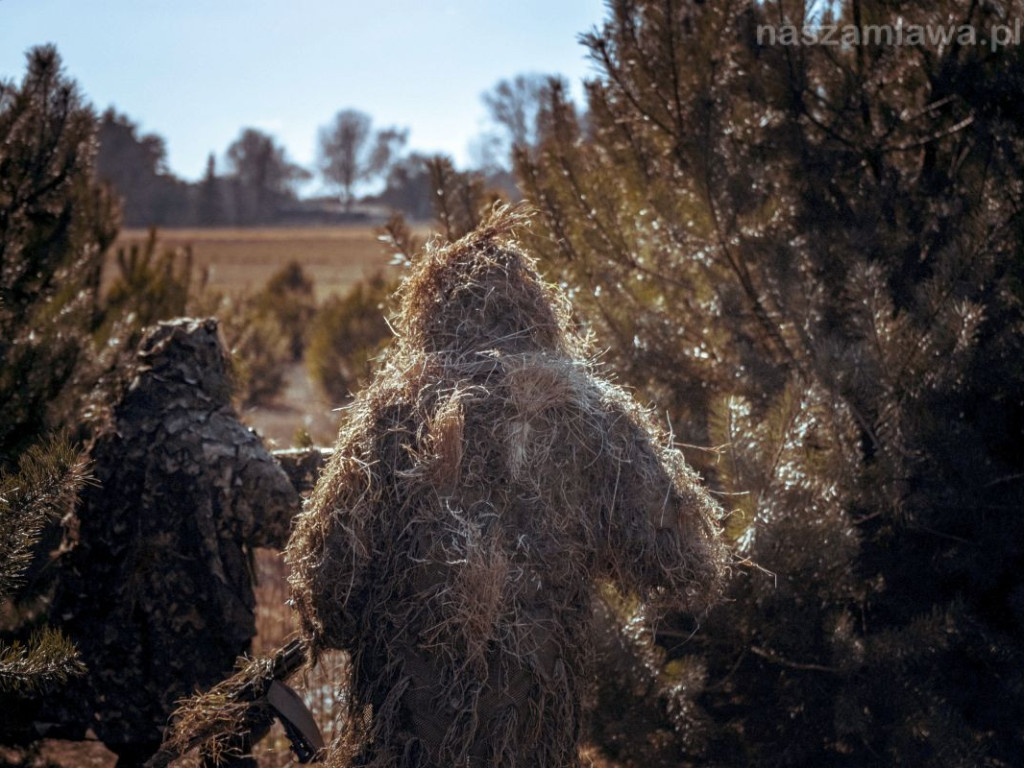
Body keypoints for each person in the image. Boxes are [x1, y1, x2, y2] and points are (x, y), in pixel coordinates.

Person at [286, 209, 728, 767]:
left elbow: (328, 586)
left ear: (430, 310)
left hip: (412, 721)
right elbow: (683, 561)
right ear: (538, 310)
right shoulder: (593, 414)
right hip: (532, 719)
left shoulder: (393, 413)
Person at [51, 317, 300, 766]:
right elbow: (281, 517)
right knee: (223, 748)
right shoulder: (217, 440)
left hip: (118, 661)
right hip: (203, 658)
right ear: (208, 366)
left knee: (139, 753)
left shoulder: (110, 439)